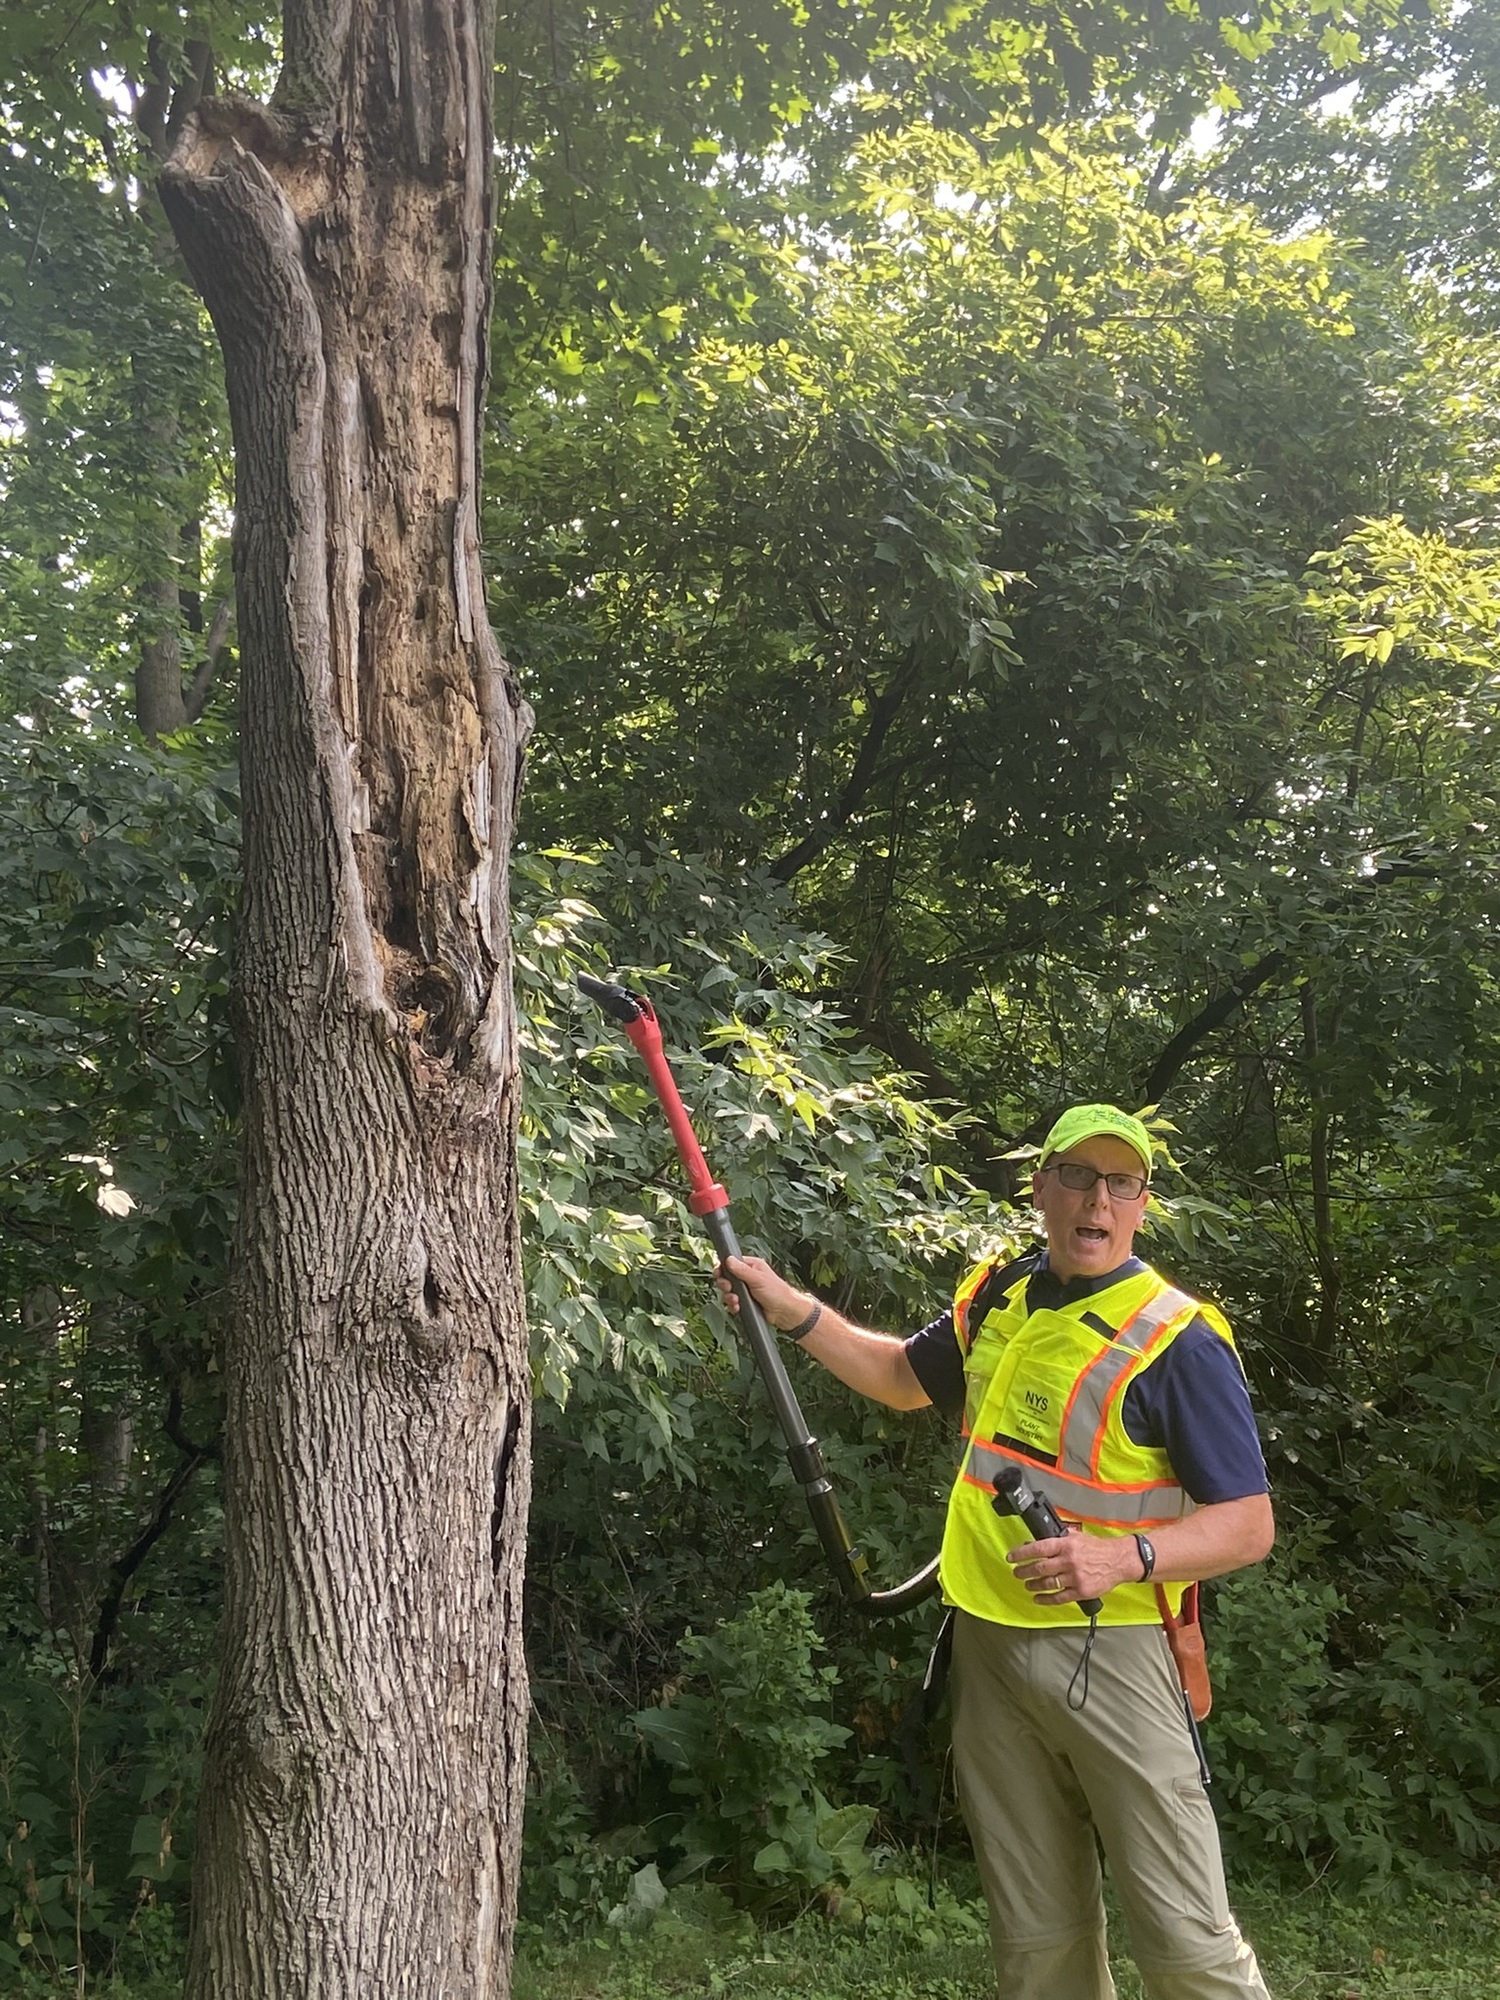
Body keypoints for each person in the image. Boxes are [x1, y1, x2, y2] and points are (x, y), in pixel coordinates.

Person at [717, 1102, 1274, 2000]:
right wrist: (793, 1311)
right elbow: (901, 1378)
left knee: (1185, 1942)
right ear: (1041, 1188)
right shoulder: (1000, 1295)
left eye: (1120, 1183)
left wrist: (1119, 1557)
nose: (1099, 1199)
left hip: (1118, 1651)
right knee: (1037, 1939)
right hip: (987, 1645)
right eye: (1080, 1178)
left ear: (1140, 1203)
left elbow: (1248, 1523)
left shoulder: (1176, 1338)